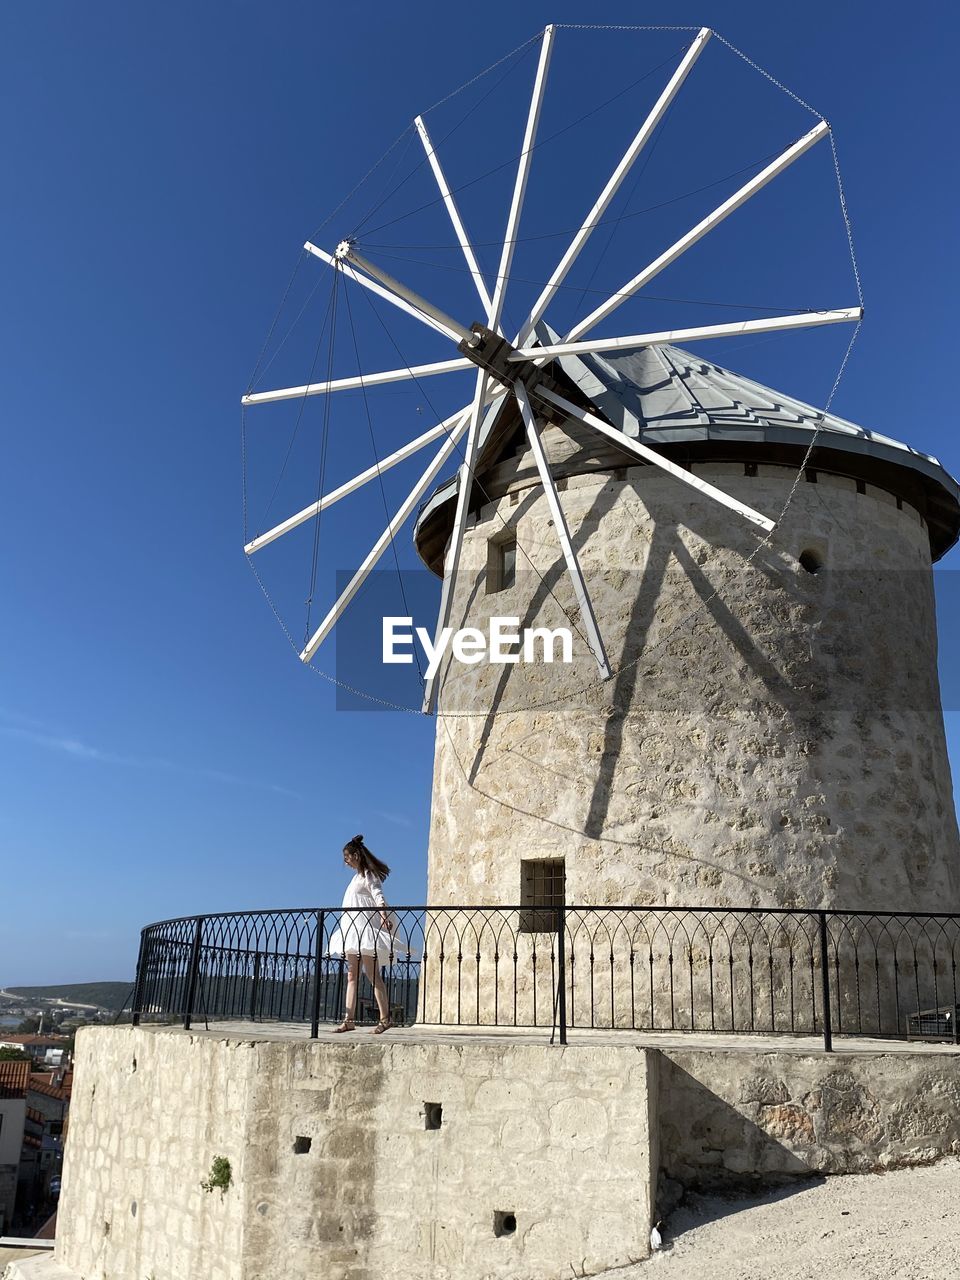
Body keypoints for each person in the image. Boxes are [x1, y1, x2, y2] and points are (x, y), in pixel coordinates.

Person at [328, 834, 396, 1034]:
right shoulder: (355, 878)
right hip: (351, 930)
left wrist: (383, 915)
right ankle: (349, 1019)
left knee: (372, 975)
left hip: (364, 930)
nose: (346, 862)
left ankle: (385, 1019)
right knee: (351, 975)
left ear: (356, 855)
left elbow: (378, 896)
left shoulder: (369, 875)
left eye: (347, 858)